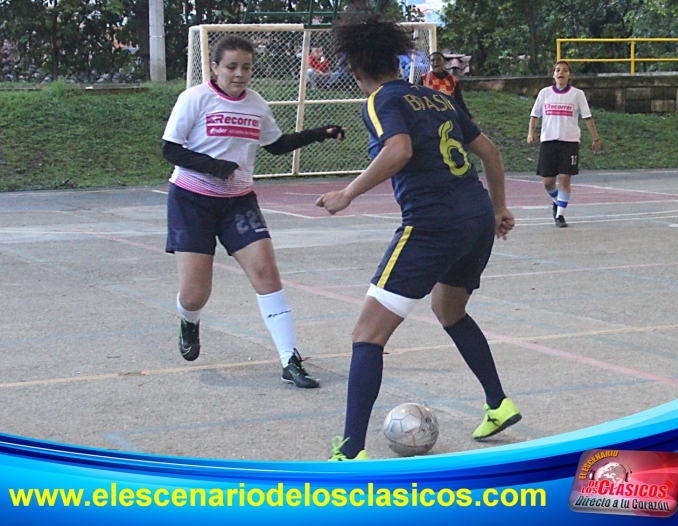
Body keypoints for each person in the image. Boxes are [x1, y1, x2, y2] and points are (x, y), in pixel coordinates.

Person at [316, 12, 521, 460]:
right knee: (450, 311)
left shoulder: (380, 101)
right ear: (393, 56)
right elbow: (488, 149)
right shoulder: (436, 97)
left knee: (367, 334)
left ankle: (349, 452)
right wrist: (499, 207)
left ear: (354, 68)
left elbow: (399, 149)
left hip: (433, 225)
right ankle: (498, 403)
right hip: (475, 219)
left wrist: (347, 193)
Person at [161, 35, 345, 389]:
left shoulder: (256, 105)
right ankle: (189, 319)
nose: (239, 74)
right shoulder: (195, 99)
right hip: (191, 200)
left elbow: (276, 146)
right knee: (195, 293)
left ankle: (289, 360)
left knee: (265, 272)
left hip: (238, 202)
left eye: (246, 67)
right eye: (231, 67)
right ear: (215, 68)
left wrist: (320, 133)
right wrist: (214, 167)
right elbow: (170, 150)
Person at [527, 60, 602, 228]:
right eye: (558, 70)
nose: (561, 73)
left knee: (565, 179)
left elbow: (587, 117)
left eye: (565, 70)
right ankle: (558, 201)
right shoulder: (545, 93)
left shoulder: (577, 94)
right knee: (547, 182)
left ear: (570, 75)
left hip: (569, 142)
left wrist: (596, 138)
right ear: (553, 74)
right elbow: (535, 115)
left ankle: (560, 215)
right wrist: (531, 132)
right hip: (549, 141)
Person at [420, 51, 474, 121]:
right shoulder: (424, 79)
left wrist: (469, 118)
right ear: (430, 63)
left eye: (439, 59)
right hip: (431, 117)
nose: (436, 62)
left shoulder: (452, 80)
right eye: (433, 60)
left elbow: (459, 101)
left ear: (444, 62)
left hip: (448, 116)